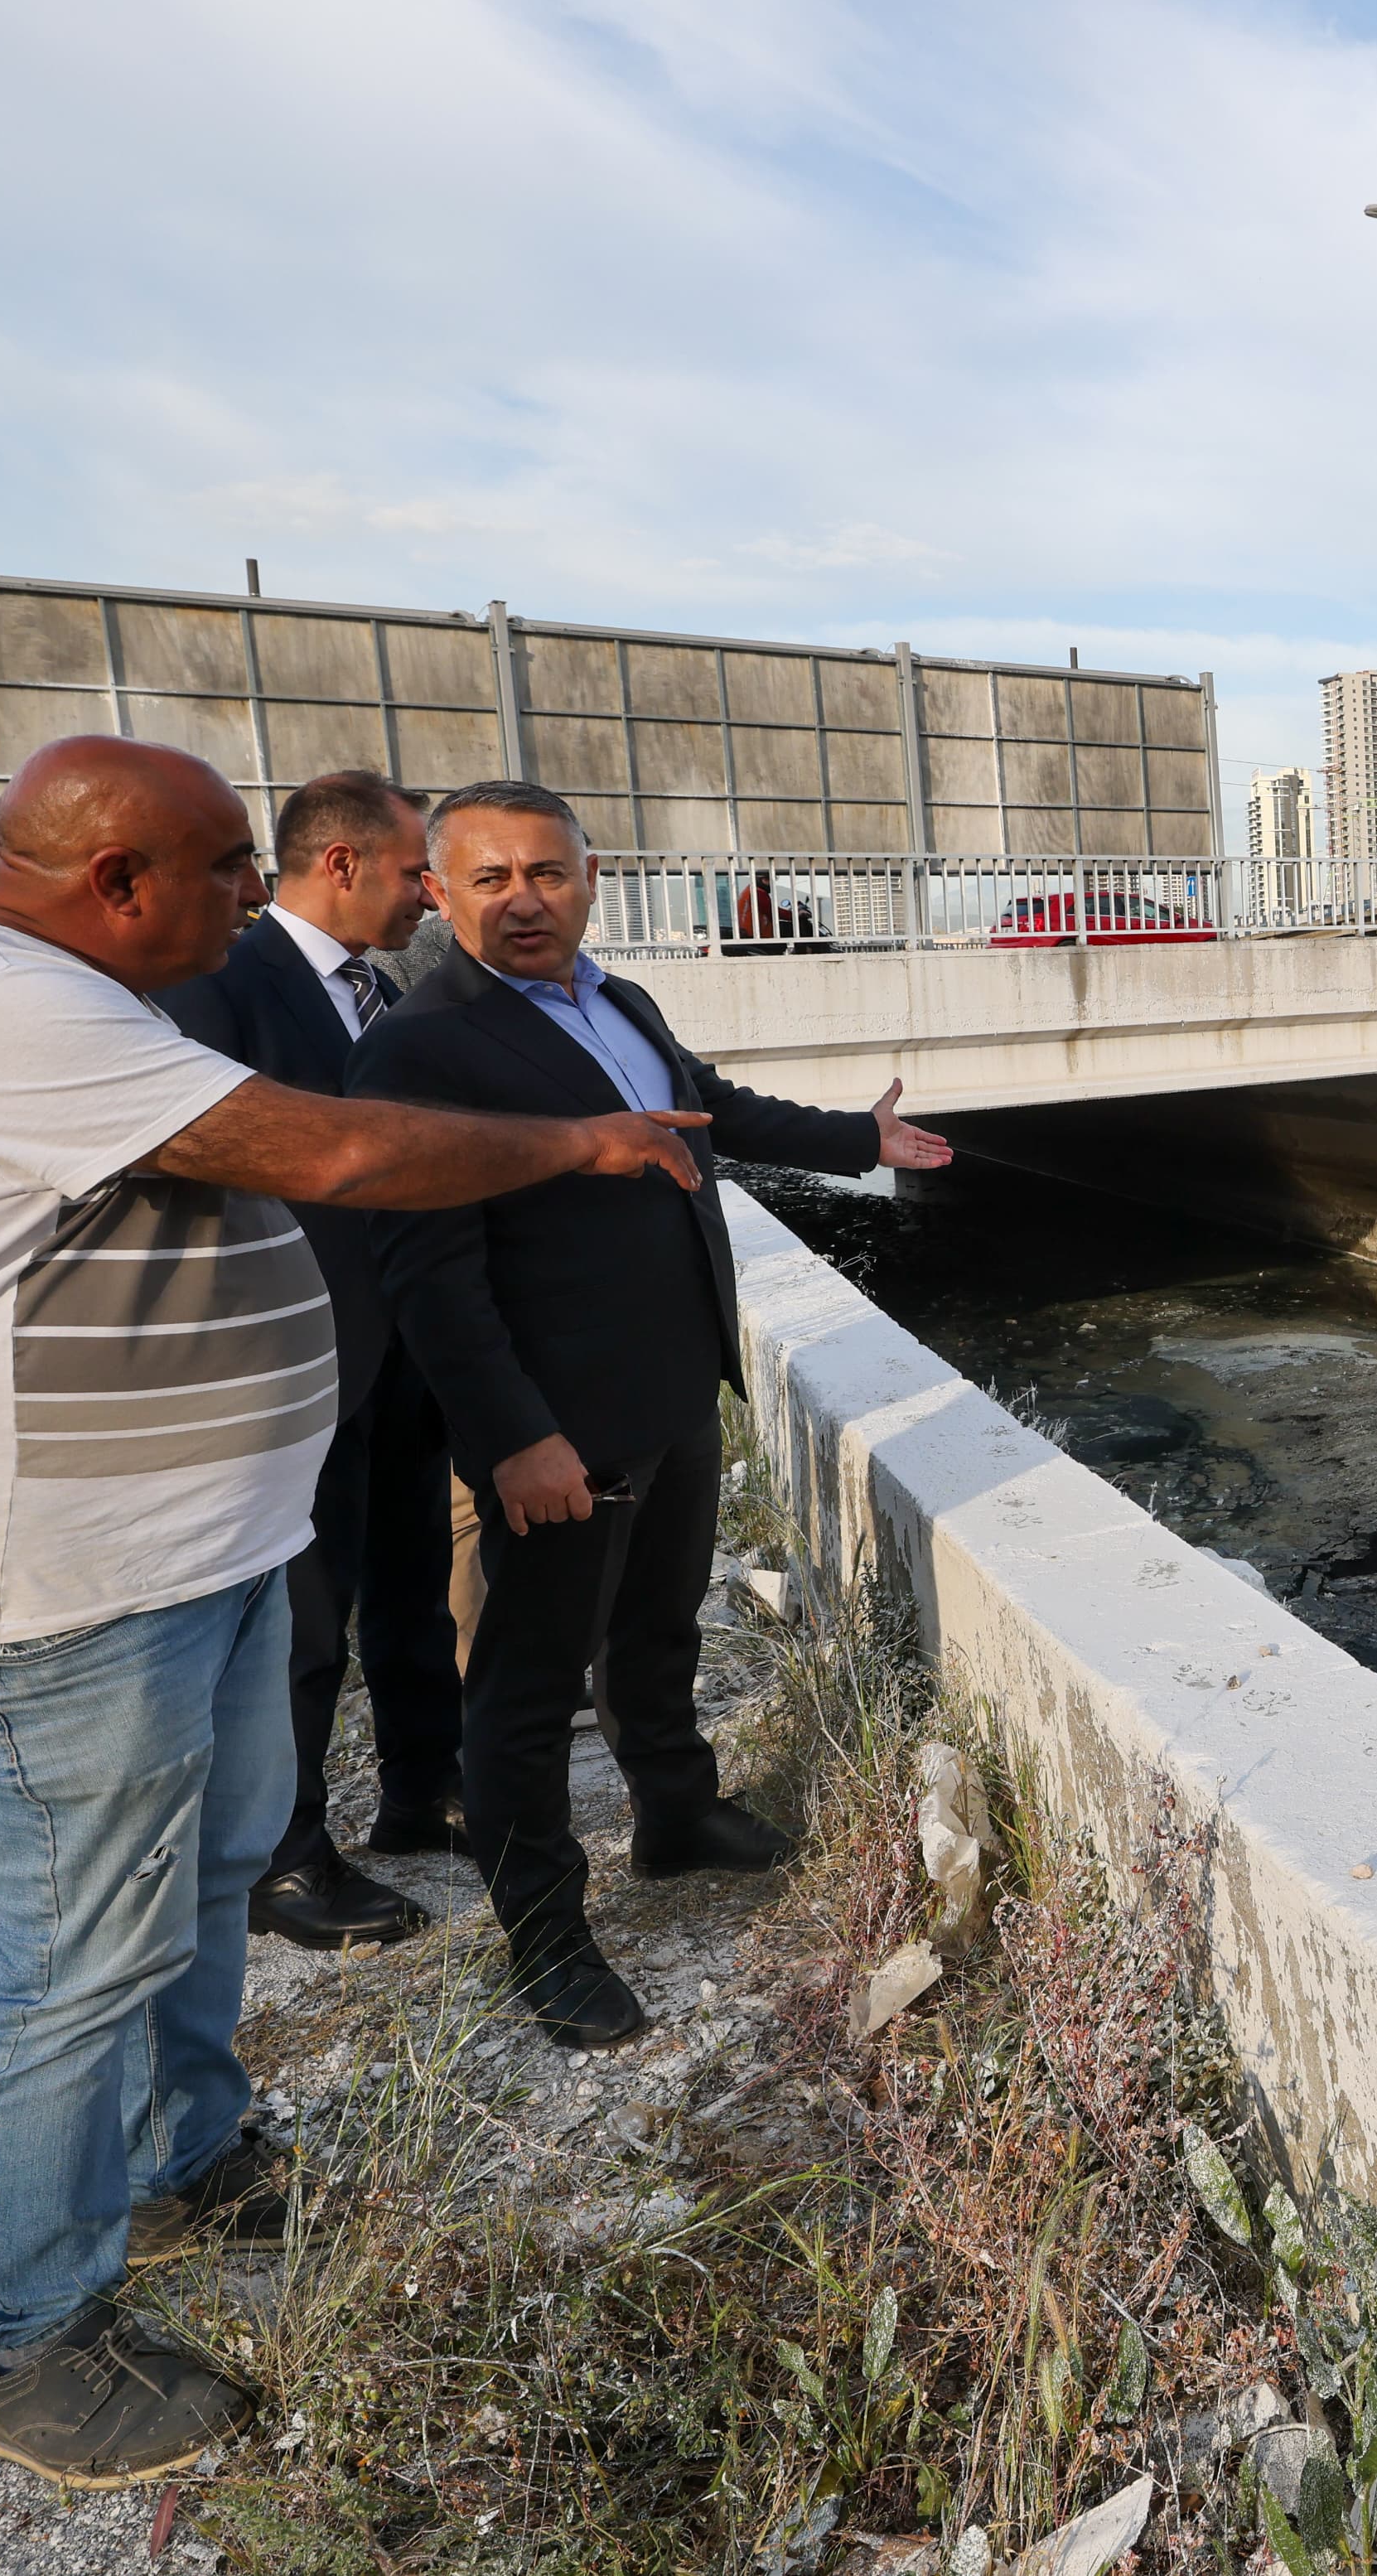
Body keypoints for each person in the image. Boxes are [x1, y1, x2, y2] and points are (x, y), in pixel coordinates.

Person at [0, 737, 709, 2488]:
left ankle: (192, 2154)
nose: (242, 895)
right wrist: (576, 1137)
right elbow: (333, 1151)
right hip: (55, 1579)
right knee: (71, 1959)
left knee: (206, 1878)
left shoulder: (80, 996)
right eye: (215, 869)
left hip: (184, 1551)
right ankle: (35, 2338)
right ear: (119, 877)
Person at [354, 781, 952, 2049]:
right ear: (441, 893)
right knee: (524, 1684)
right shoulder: (422, 1046)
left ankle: (674, 1817)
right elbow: (427, 1269)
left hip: (672, 1389)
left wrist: (862, 1138)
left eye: (548, 874)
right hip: (555, 1421)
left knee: (655, 1628)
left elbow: (711, 1109)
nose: (525, 900)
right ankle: (548, 1932)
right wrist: (512, 1435)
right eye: (492, 879)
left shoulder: (618, 1001)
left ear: (589, 877)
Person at [157, 769, 457, 1950]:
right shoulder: (218, 990)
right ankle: (285, 1859)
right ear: (341, 863)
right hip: (290, 1361)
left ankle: (425, 1789)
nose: (428, 894)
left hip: (398, 1347)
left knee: (409, 1583)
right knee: (304, 1624)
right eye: (412, 869)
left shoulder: (381, 993)